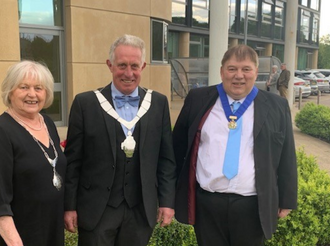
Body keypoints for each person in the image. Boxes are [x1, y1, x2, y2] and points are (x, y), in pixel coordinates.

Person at [173, 45, 297, 246]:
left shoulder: (276, 106)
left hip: (252, 205)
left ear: (256, 72)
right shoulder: (198, 100)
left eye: (246, 69)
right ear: (222, 72)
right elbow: (178, 149)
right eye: (232, 69)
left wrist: (287, 199)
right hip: (207, 203)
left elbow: (286, 156)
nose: (239, 75)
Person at [63, 34, 176, 246]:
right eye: (122, 65)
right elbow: (73, 161)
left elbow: (166, 159)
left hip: (140, 209)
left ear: (142, 66)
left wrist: (167, 202)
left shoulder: (158, 103)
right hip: (97, 209)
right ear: (110, 65)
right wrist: (69, 206)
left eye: (134, 66)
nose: (129, 73)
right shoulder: (85, 104)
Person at [0, 61, 66, 246]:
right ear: (10, 91)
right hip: (19, 237)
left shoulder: (47, 123)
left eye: (38, 88)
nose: (32, 94)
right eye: (23, 87)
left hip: (50, 231)